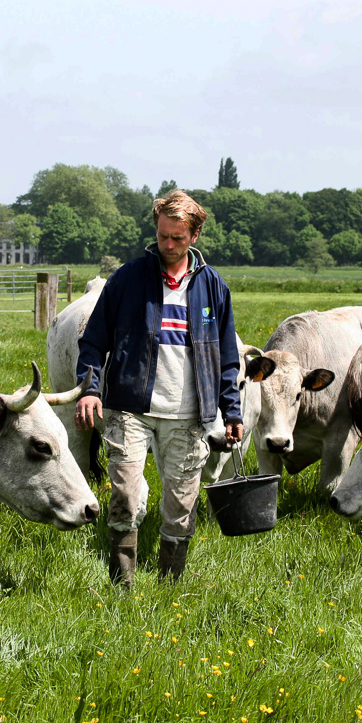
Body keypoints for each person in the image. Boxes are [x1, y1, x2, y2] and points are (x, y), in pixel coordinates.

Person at [75, 190, 243, 588]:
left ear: (195, 235)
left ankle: (170, 587)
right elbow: (94, 340)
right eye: (163, 235)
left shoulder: (213, 288)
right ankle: (122, 586)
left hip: (188, 416)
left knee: (181, 506)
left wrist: (231, 411)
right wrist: (90, 389)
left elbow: (228, 358)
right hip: (131, 409)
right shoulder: (128, 280)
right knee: (126, 499)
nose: (168, 245)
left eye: (178, 238)